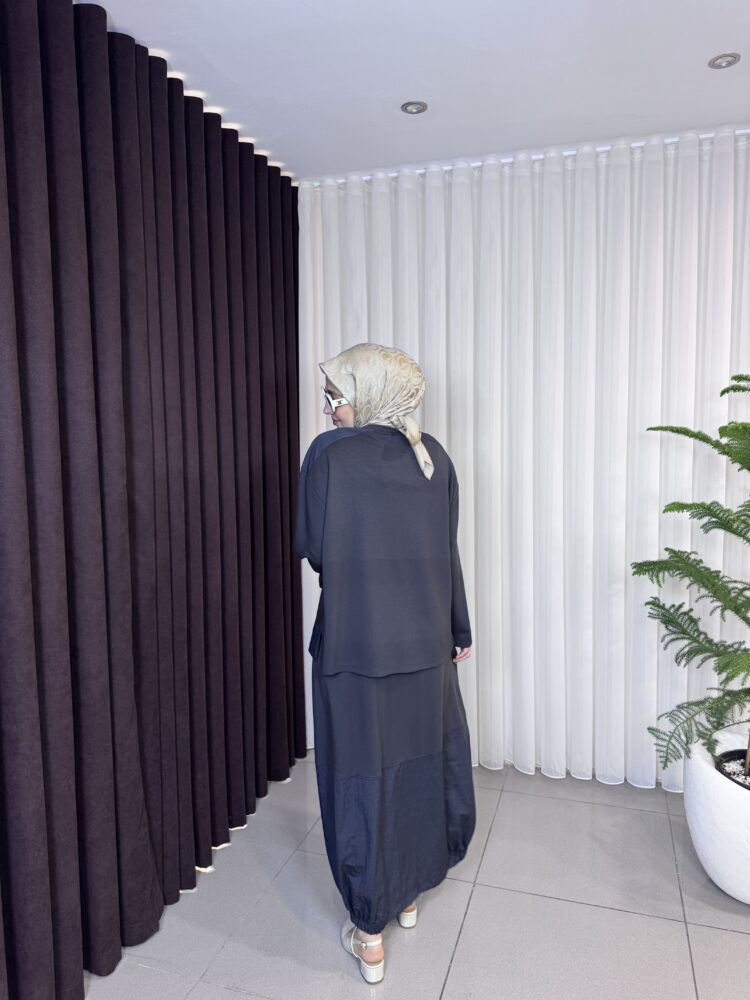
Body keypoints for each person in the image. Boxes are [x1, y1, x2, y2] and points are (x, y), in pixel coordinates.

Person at [293, 342, 476, 984]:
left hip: (356, 650)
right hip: (426, 651)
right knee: (416, 771)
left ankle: (369, 934)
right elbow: (445, 551)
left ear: (369, 393)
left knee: (361, 780)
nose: (328, 409)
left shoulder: (330, 456)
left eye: (335, 397)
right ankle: (407, 897)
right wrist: (458, 628)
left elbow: (316, 549)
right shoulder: (435, 458)